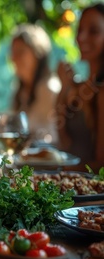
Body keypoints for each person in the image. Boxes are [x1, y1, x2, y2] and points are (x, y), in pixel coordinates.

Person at [57, 3, 104, 170]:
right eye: (80, 30)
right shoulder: (81, 86)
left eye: (93, 31)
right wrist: (64, 88)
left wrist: (55, 171)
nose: (82, 37)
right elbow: (65, 142)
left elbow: (101, 165)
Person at [10, 24, 59, 145]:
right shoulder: (21, 91)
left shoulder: (49, 89)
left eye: (20, 52)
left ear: (38, 54)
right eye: (13, 52)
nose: (13, 58)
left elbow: (53, 136)